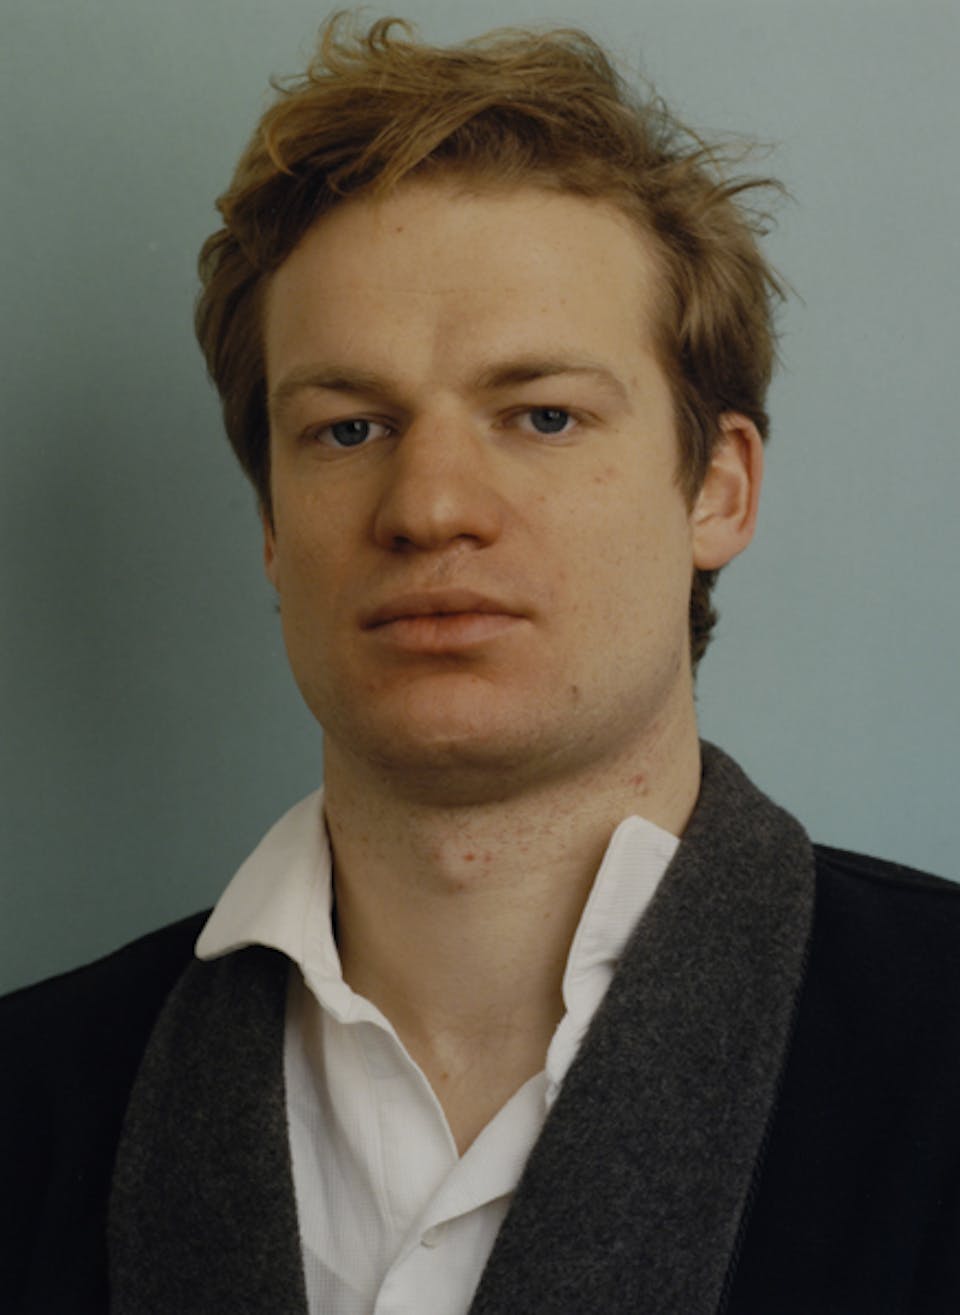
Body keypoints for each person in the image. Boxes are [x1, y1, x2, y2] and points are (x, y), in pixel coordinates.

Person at [2, 14, 958, 1315]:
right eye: (349, 428)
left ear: (719, 489)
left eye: (543, 415)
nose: (431, 506)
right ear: (273, 525)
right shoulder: (31, 1097)